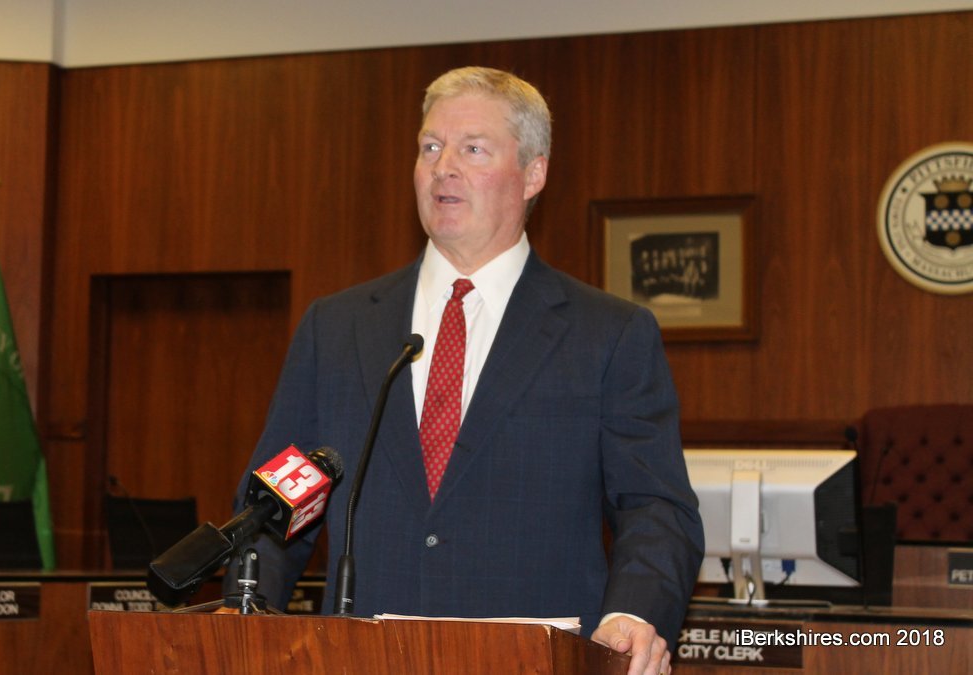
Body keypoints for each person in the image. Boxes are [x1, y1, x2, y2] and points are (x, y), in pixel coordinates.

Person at [229, 66, 704, 675]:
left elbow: (655, 506)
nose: (443, 167)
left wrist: (632, 614)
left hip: (535, 662)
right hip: (363, 661)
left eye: (473, 149)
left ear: (533, 174)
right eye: (430, 147)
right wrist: (244, 614)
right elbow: (277, 500)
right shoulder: (338, 327)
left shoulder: (607, 334)